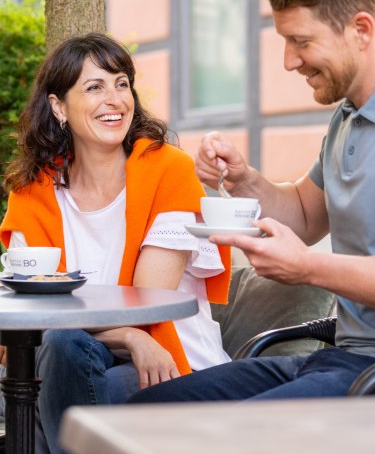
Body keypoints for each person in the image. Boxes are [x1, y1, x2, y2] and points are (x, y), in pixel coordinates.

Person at [127, 0, 375, 405]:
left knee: (221, 435)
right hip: (347, 360)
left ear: (361, 29)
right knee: (150, 411)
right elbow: (303, 216)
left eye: (301, 41)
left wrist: (310, 268)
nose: (288, 61)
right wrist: (245, 181)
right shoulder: (349, 115)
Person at [0, 32, 231, 454]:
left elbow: (147, 301)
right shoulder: (31, 192)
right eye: (94, 87)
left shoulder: (169, 171)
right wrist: (129, 338)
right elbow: (36, 310)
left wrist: (139, 337)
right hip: (85, 352)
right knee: (59, 347)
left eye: (121, 83)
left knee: (48, 390)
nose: (115, 99)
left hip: (170, 358)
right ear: (58, 106)